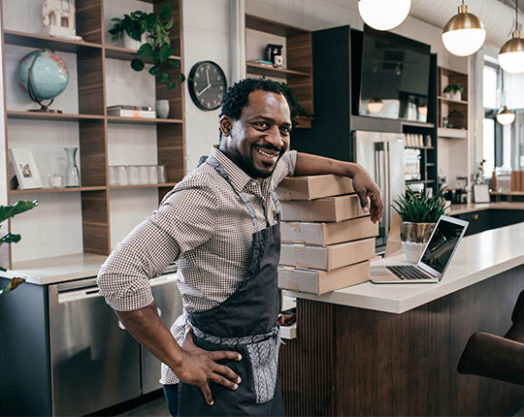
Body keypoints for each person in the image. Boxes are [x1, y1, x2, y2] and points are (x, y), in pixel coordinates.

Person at [97, 78, 383, 416]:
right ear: (227, 125)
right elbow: (118, 275)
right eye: (262, 125)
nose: (276, 140)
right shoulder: (204, 195)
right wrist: (181, 360)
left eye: (284, 129)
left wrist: (353, 168)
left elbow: (291, 161)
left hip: (259, 367)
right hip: (214, 379)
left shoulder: (262, 175)